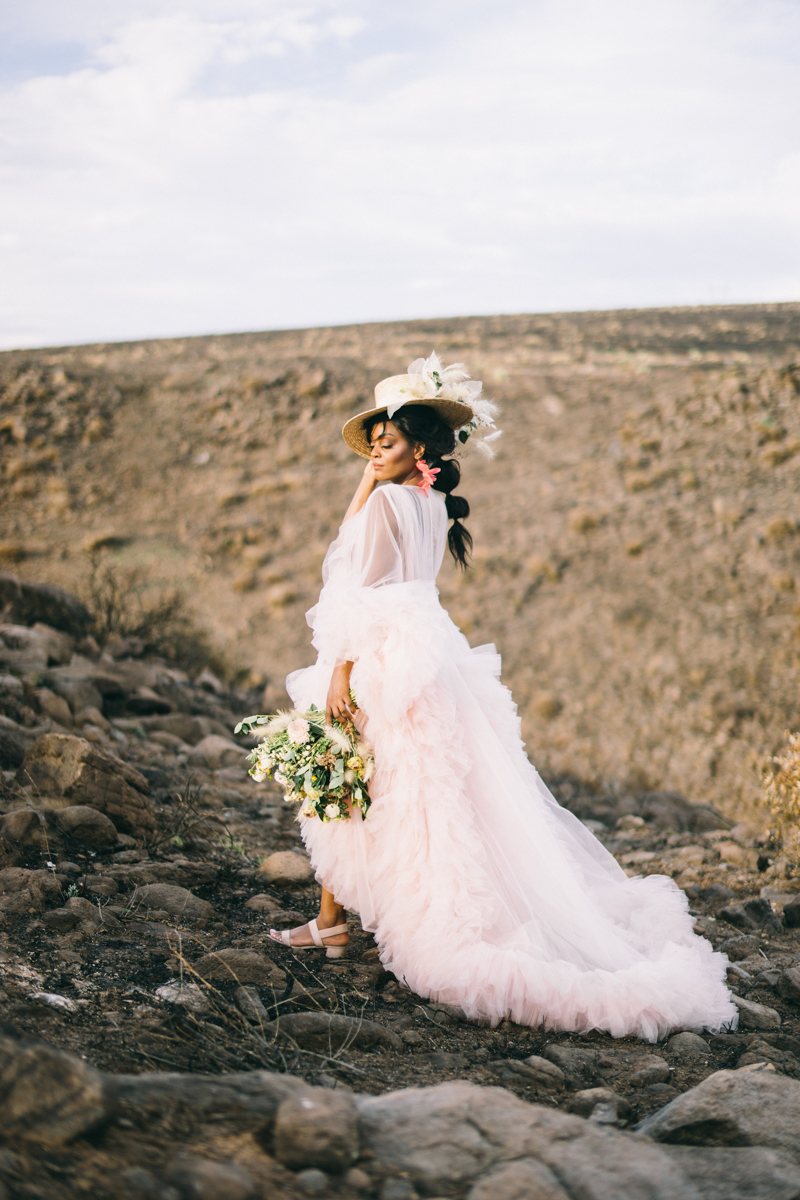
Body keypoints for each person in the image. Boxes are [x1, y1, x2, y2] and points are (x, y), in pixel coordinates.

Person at [268, 352, 736, 1040]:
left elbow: (350, 585)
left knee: (349, 777)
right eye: (372, 441)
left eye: (387, 440)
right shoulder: (429, 501)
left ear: (419, 446)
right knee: (420, 790)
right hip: (431, 652)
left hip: (381, 652)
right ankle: (333, 922)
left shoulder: (388, 503)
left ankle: (339, 926)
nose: (374, 450)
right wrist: (375, 477)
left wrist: (338, 668)